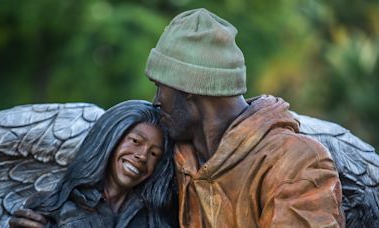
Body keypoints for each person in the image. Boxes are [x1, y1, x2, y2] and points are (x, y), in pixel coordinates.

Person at [145, 8, 345, 227]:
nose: (156, 101)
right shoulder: (174, 156)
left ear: (188, 86)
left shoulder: (296, 162)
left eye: (160, 87)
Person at [9, 100, 176, 227]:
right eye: (135, 141)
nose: (142, 156)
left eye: (154, 153)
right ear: (111, 138)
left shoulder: (157, 218)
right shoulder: (52, 208)